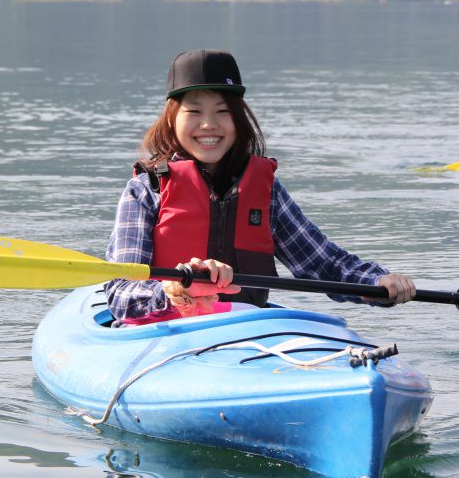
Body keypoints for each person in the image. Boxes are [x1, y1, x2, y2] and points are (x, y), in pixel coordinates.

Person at [104, 48, 416, 326]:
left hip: (243, 330)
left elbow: (322, 263)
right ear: (172, 118)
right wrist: (177, 288)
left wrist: (378, 282)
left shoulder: (265, 191)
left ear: (238, 119)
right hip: (162, 330)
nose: (209, 124)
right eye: (194, 111)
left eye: (223, 111)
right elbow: (121, 294)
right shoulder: (146, 189)